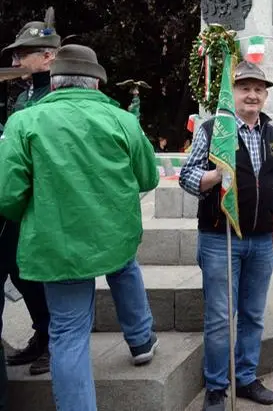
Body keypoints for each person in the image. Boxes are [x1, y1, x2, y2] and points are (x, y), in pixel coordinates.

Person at [0, 45, 160, 411]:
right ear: (97, 85)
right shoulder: (123, 120)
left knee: (69, 333)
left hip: (57, 243)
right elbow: (148, 176)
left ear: (54, 85)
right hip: (114, 234)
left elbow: (8, 196)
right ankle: (140, 341)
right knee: (124, 268)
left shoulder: (23, 122)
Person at [179, 61, 273, 411]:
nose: (252, 94)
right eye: (245, 88)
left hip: (260, 240)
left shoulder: (272, 134)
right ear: (233, 93)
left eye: (259, 89)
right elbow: (187, 176)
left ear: (265, 94)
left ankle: (245, 377)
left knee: (254, 314)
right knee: (222, 316)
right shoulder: (213, 130)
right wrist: (214, 175)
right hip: (219, 237)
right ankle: (216, 385)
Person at [0, 18, 59, 376]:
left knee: (39, 271)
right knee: (18, 271)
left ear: (48, 56)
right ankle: (41, 332)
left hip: (46, 199)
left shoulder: (60, 93)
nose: (18, 59)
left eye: (24, 52)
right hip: (16, 197)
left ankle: (54, 338)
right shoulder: (22, 96)